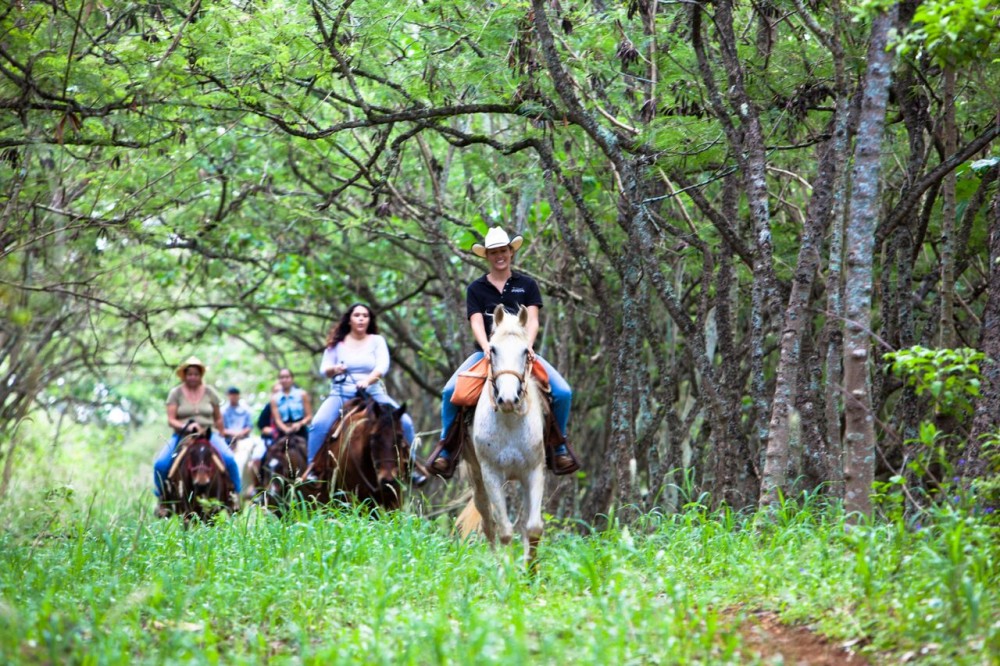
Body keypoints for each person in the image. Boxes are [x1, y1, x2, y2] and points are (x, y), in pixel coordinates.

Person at [429, 226, 578, 476]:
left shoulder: (527, 285)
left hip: (521, 353)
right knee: (449, 391)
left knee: (563, 392)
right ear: (486, 256)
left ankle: (558, 446)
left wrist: (529, 345)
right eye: (494, 252)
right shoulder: (476, 289)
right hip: (487, 353)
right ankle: (446, 450)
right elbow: (476, 321)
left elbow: (532, 320)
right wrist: (487, 348)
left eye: (503, 251)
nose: (499, 256)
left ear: (511, 252)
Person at [306, 303, 415, 466]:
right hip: (341, 394)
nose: (361, 319)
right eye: (357, 315)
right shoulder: (337, 343)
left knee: (405, 422)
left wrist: (367, 381)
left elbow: (382, 366)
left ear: (369, 320)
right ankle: (312, 468)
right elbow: (324, 369)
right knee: (318, 424)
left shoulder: (377, 341)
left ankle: (411, 466)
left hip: (373, 393)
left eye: (365, 316)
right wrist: (335, 369)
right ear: (349, 320)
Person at [153, 356, 242, 514]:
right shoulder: (176, 393)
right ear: (184, 375)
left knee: (229, 459)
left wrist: (222, 434)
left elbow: (218, 417)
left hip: (208, 435)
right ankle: (162, 500)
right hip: (183, 436)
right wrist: (186, 426)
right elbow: (171, 420)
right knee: (161, 464)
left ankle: (234, 496)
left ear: (201, 375)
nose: (193, 377)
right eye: (190, 374)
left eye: (196, 374)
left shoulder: (210, 392)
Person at [271, 369, 313, 437]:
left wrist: (300, 424)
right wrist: (285, 429)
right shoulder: (274, 399)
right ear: (279, 380)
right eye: (282, 377)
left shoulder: (302, 394)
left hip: (301, 430)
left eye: (287, 377)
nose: (284, 380)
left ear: (292, 379)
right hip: (283, 432)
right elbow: (277, 420)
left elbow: (309, 416)